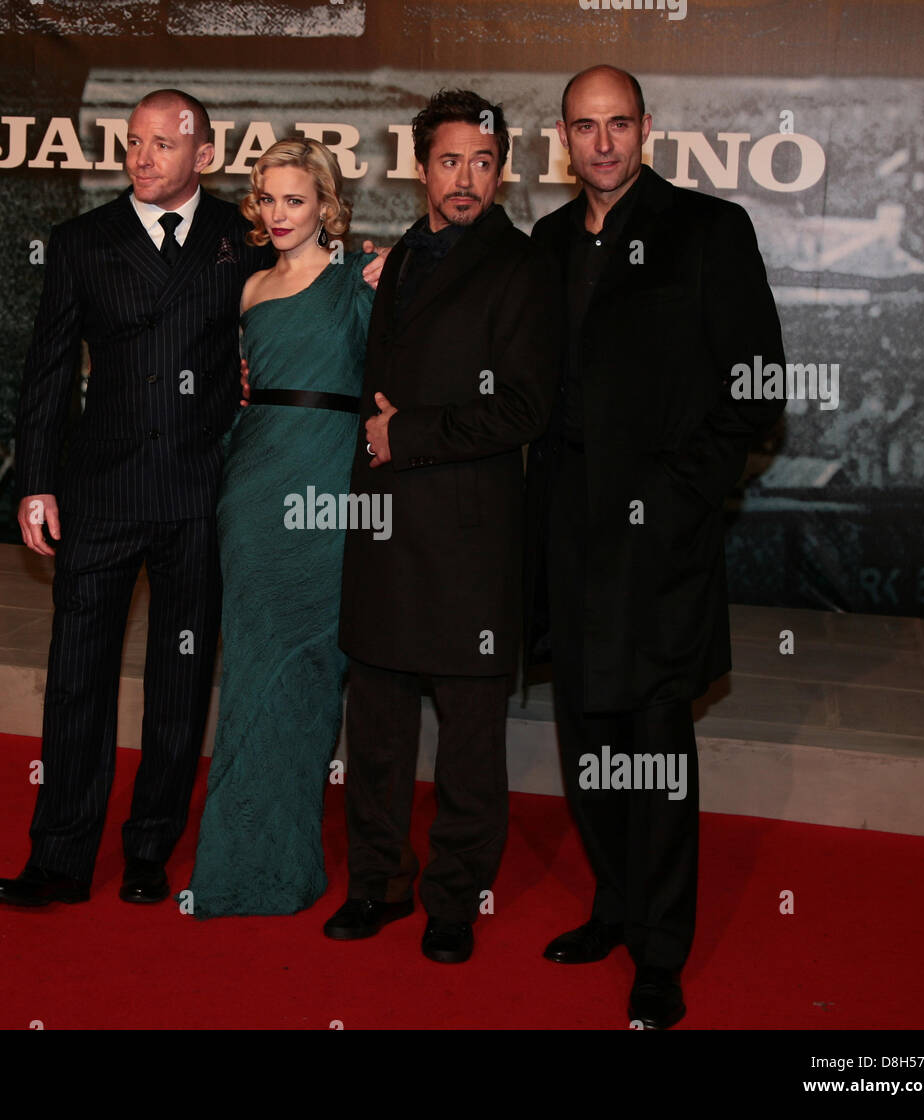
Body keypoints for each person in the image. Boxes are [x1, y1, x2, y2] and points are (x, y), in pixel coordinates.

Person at [525, 65, 786, 1027]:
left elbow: (756, 382)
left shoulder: (709, 230)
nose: (602, 143)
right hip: (568, 531)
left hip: (659, 536)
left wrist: (681, 498)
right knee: (588, 734)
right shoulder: (548, 242)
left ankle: (662, 953)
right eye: (585, 127)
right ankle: (615, 907)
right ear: (564, 136)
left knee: (656, 746)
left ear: (646, 129)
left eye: (619, 124)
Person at [0, 89, 279, 910]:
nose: (142, 158)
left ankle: (150, 847)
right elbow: (46, 372)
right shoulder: (82, 242)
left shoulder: (240, 239)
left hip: (198, 496)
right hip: (100, 493)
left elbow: (302, 306)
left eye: (162, 144)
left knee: (178, 684)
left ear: (204, 155)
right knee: (79, 676)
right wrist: (36, 479)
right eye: (133, 143)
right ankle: (59, 859)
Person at [325, 89, 556, 964]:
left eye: (485, 164)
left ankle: (454, 899)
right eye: (450, 161)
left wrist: (405, 434)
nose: (467, 180)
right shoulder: (398, 260)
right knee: (377, 727)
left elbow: (527, 408)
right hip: (384, 527)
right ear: (421, 166)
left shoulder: (523, 266)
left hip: (469, 539)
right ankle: (378, 885)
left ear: (502, 171)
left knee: (468, 740)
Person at [182, 139, 376, 917]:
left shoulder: (359, 280)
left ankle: (289, 864)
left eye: (296, 200)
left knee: (310, 672)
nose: (280, 214)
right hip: (254, 488)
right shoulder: (251, 288)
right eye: (268, 200)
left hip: (329, 488)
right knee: (252, 670)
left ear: (326, 204)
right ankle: (234, 866)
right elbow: (235, 390)